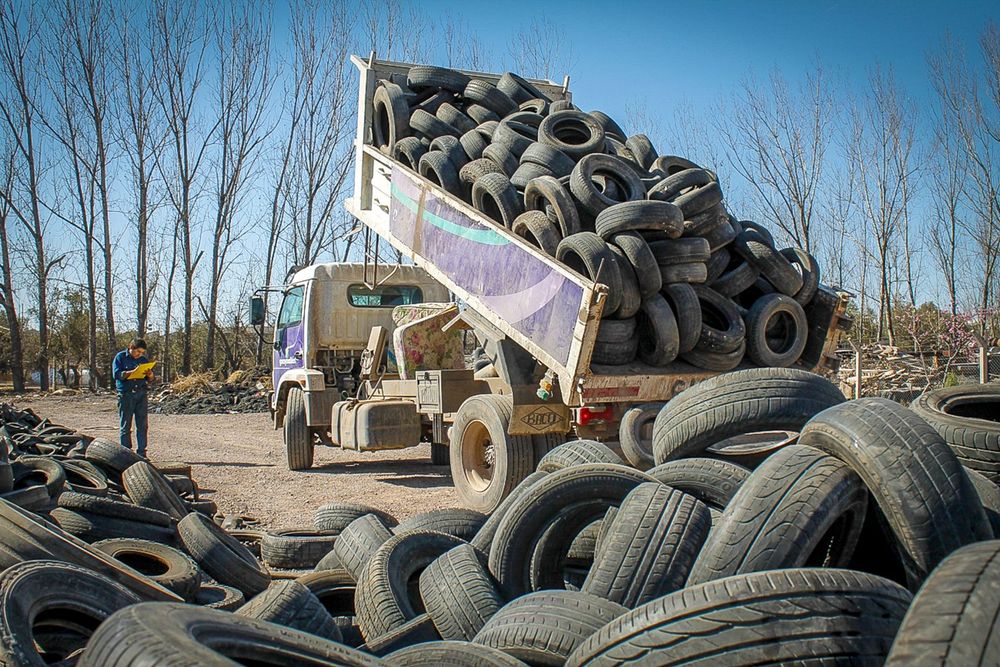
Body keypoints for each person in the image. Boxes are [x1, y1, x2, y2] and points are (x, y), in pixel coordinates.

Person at [112, 339, 155, 457]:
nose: (139, 354)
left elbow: (150, 379)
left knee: (142, 425)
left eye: (142, 352)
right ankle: (126, 453)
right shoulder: (120, 357)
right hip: (126, 394)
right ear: (131, 347)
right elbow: (116, 374)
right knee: (126, 425)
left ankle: (142, 453)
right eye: (138, 351)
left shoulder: (143, 360)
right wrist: (132, 372)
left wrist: (150, 375)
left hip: (141, 394)